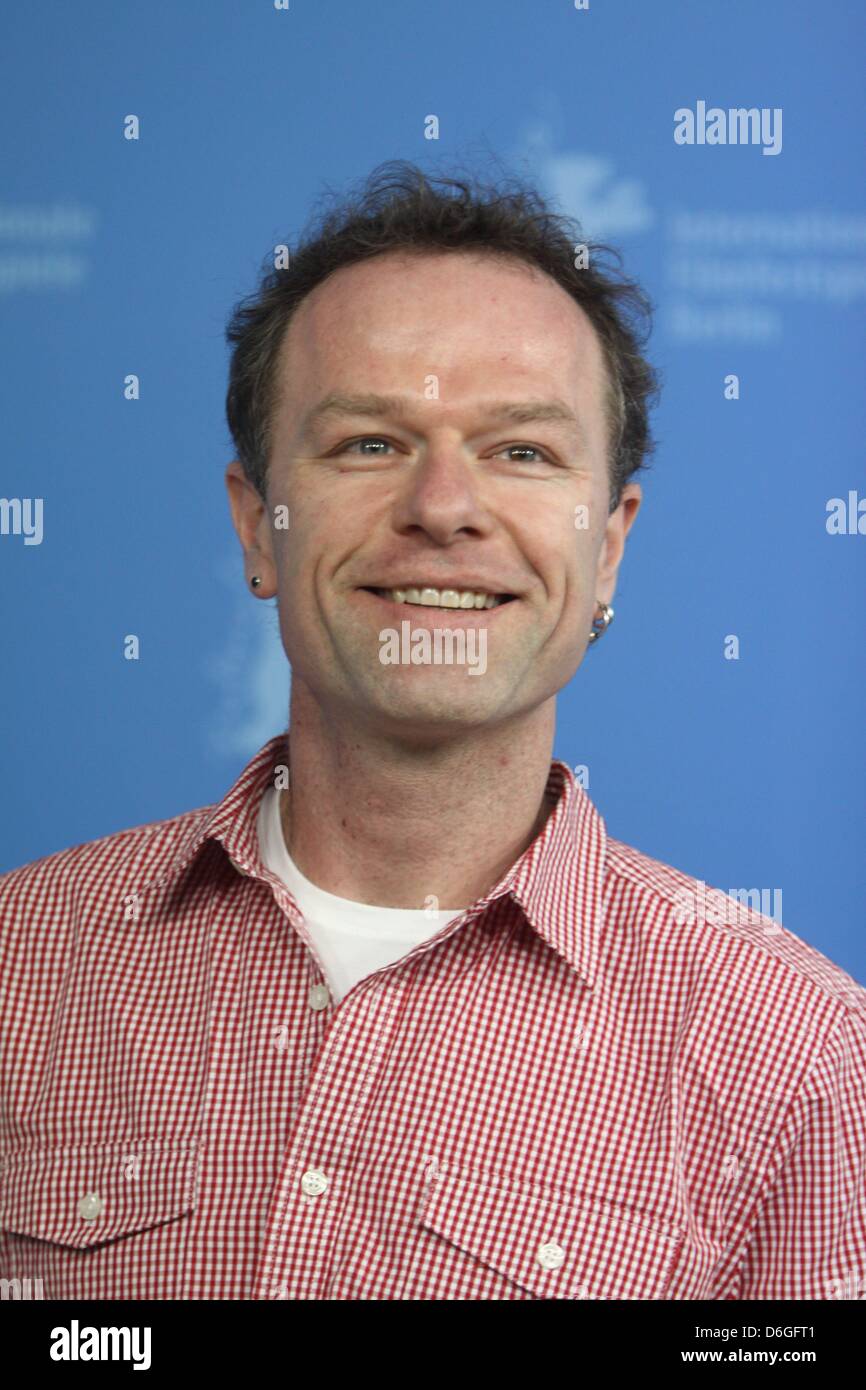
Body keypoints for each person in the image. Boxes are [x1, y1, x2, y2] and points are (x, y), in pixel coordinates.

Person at [1, 162, 864, 1302]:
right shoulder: (17, 968)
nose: (442, 506)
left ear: (607, 548)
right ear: (256, 526)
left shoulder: (800, 1060)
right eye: (368, 443)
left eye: (520, 451)